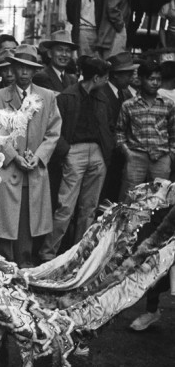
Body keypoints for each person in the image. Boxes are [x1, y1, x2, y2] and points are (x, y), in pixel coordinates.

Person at [0, 45, 61, 268]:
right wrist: (13, 156)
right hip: (8, 170)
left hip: (34, 170)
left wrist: (39, 156)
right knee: (4, 224)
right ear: (13, 68)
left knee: (28, 223)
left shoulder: (47, 97)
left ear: (35, 70)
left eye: (29, 68)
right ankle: (3, 268)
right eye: (20, 67)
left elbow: (53, 132)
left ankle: (25, 267)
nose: (24, 72)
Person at [40, 58, 113, 262]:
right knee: (65, 207)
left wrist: (106, 148)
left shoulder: (102, 98)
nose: (107, 81)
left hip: (97, 152)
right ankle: (48, 253)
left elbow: (109, 125)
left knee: (89, 208)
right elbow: (53, 128)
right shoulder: (67, 97)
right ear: (96, 78)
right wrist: (66, 151)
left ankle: (80, 254)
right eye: (105, 77)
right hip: (75, 151)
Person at [117, 60, 175, 201]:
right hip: (136, 157)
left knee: (159, 200)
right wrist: (127, 152)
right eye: (151, 79)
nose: (155, 83)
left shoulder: (168, 105)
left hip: (161, 158)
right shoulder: (129, 105)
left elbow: (173, 131)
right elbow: (119, 132)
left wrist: (171, 155)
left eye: (158, 79)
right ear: (141, 79)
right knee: (129, 198)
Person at [100, 52, 137, 202]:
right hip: (107, 153)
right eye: (128, 74)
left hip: (119, 153)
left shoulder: (125, 93)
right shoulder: (102, 93)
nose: (131, 78)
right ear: (116, 75)